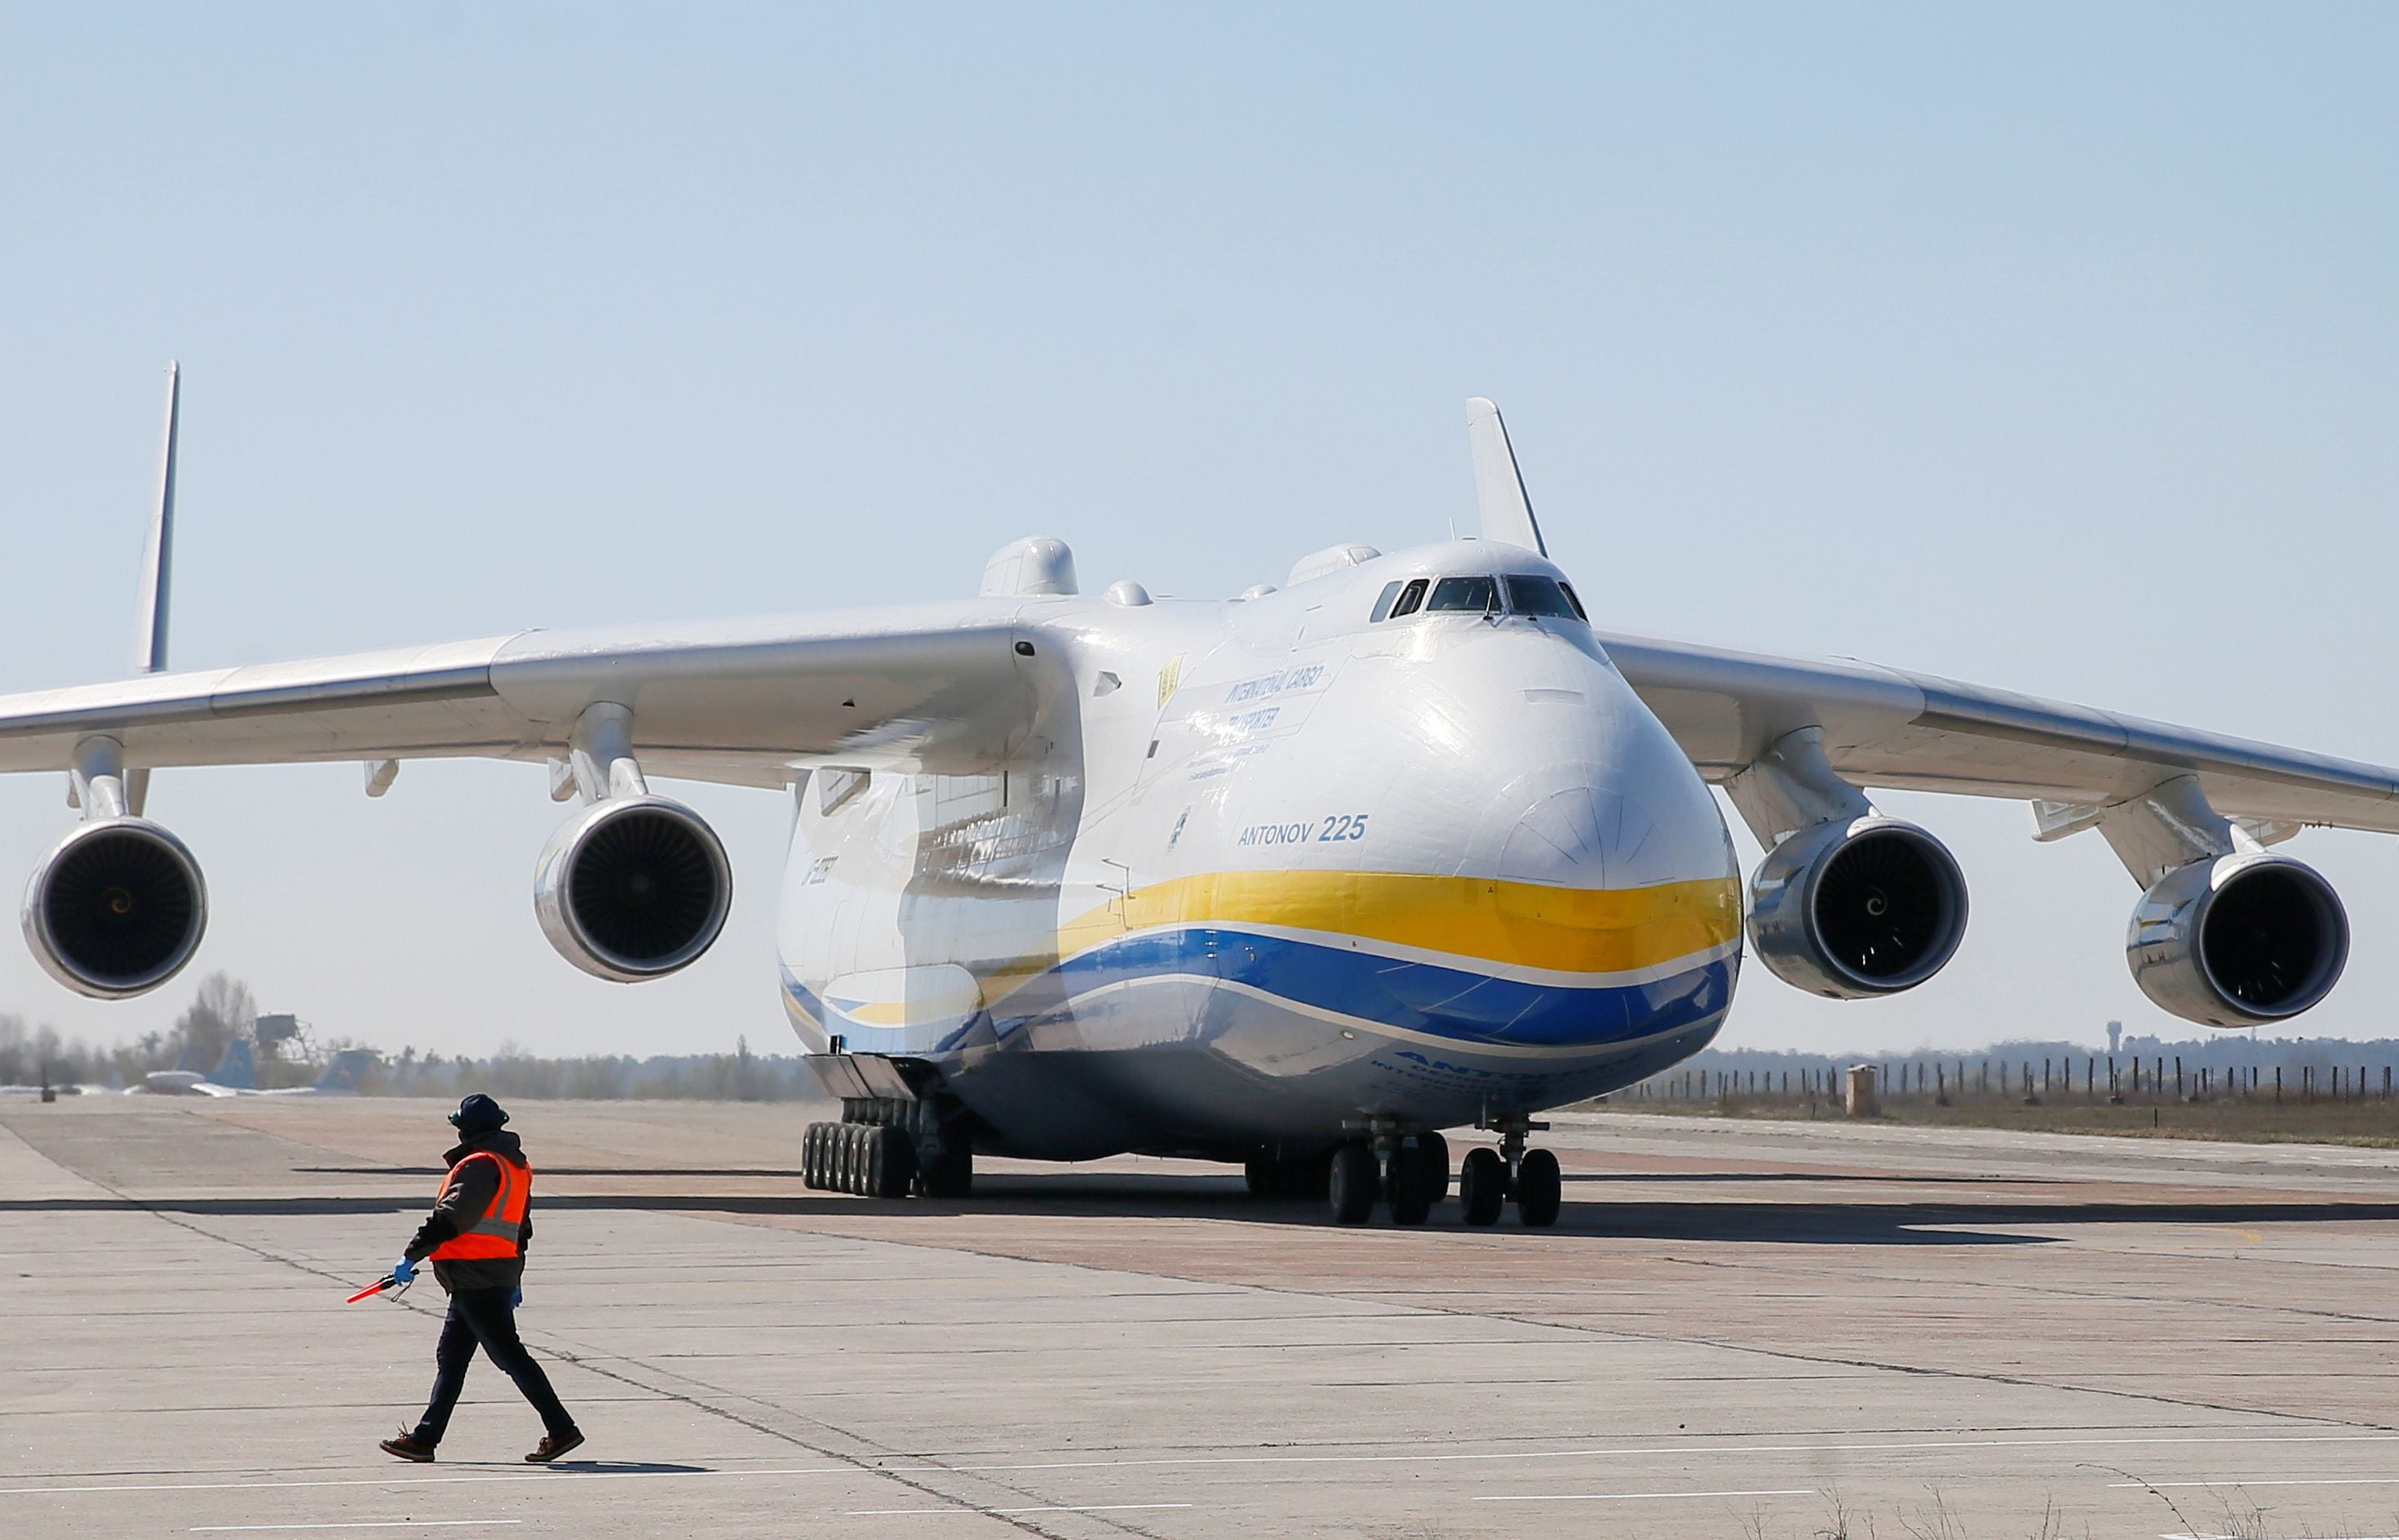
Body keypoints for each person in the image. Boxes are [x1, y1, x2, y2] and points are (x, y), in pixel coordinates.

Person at [377, 1094, 584, 1464]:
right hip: (488, 1273)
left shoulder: (479, 1165)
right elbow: (522, 1227)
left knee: (508, 1354)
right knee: (452, 1358)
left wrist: (411, 1254)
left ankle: (561, 1428)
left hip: (477, 1275)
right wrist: (516, 1274)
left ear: (464, 1129)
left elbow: (452, 1218)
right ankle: (425, 1438)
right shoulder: (514, 1165)